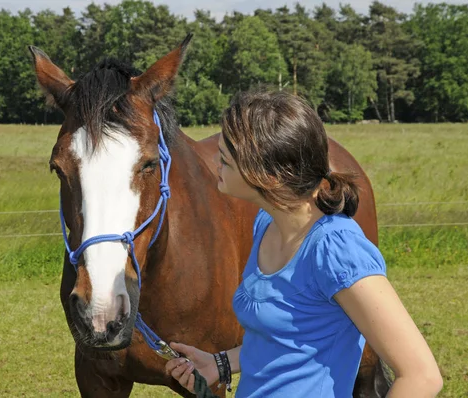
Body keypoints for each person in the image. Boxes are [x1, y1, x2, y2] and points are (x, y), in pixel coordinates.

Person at [164, 90, 442, 397]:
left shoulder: (337, 250)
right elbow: (283, 338)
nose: (216, 158)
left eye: (227, 155)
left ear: (269, 174)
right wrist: (221, 363)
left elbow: (422, 376)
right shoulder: (266, 225)